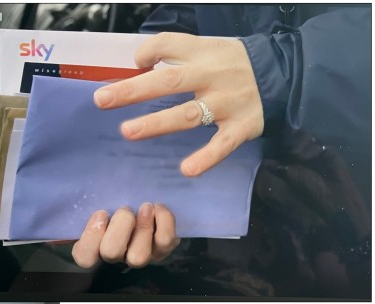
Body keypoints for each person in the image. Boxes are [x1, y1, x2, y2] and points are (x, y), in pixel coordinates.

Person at [72, 4, 372, 270]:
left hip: (348, 179)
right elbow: (198, 15)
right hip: (245, 195)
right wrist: (147, 67)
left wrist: (284, 69)